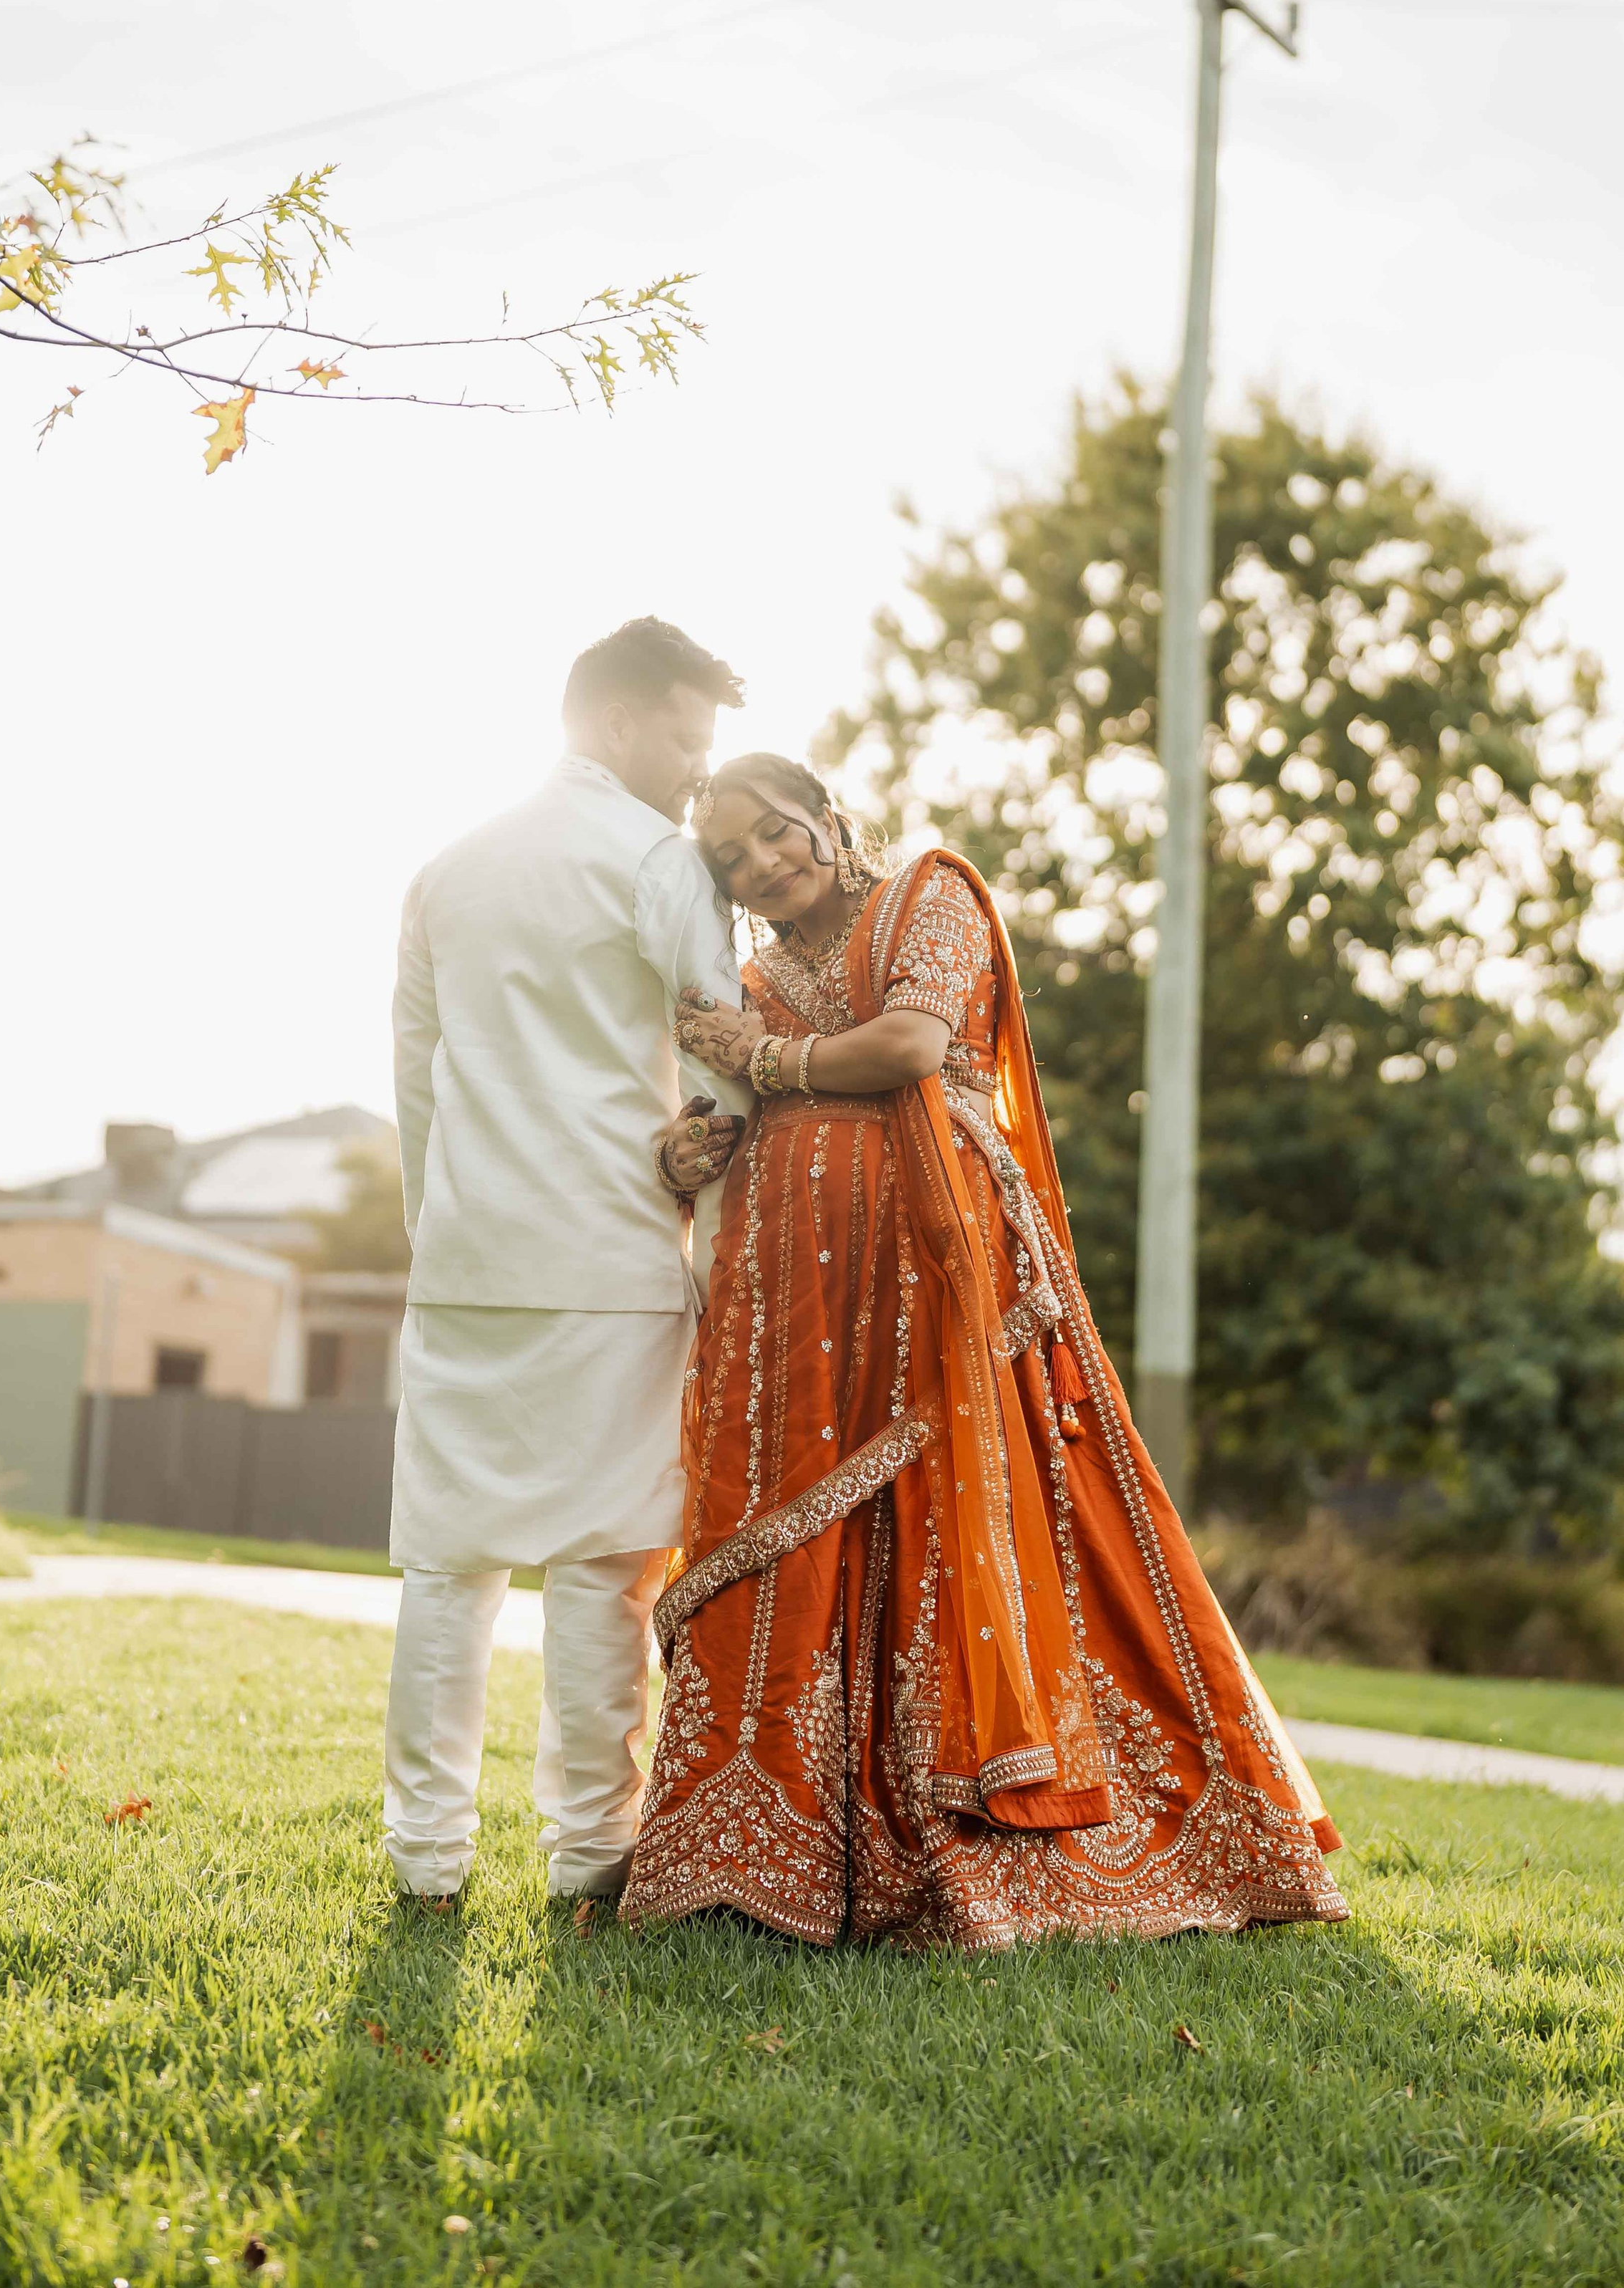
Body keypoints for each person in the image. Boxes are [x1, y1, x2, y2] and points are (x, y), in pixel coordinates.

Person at [621, 755, 1346, 1949]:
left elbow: (909, 1046)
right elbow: (724, 1114)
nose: (762, 863)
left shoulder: (929, 897)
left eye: (775, 832)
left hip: (939, 1279)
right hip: (796, 1308)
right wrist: (682, 1156)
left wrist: (762, 1060)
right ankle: (767, 1852)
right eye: (733, 859)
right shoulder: (752, 977)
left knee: (953, 1523)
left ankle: (978, 1844)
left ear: (825, 816)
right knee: (807, 1532)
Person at [383, 618, 749, 1905]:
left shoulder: (449, 868)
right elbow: (726, 1053)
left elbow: (417, 1086)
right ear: (613, 723)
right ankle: (591, 1851)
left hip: (473, 1255)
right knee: (606, 1568)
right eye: (688, 745)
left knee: (448, 1564)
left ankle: (425, 1858)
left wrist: (442, 1236)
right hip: (613, 1252)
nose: (699, 780)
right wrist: (701, 1161)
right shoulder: (658, 860)